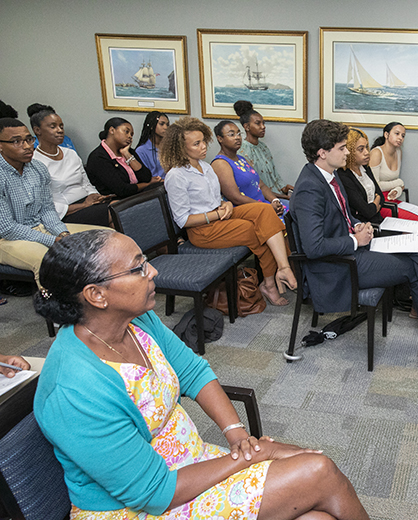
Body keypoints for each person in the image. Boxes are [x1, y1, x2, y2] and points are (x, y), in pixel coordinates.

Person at [33, 229, 369, 519]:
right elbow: (153, 493)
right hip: (141, 505)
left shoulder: (136, 321)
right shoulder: (74, 388)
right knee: (319, 471)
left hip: (188, 465)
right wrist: (254, 455)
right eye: (138, 268)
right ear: (96, 295)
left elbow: (193, 372)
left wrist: (237, 436)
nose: (152, 271)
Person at [290, 119, 418, 355]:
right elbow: (313, 247)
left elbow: (343, 216)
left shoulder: (330, 176)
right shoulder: (310, 188)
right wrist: (356, 240)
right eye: (342, 148)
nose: (347, 152)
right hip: (337, 268)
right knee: (415, 266)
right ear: (322, 153)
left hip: (352, 251)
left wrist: (357, 225)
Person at [162, 117, 296, 306]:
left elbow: (216, 199)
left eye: (203, 141)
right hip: (202, 231)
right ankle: (270, 284)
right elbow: (183, 220)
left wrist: (226, 205)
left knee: (265, 211)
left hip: (220, 215)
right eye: (196, 144)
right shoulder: (176, 176)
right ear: (181, 148)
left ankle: (283, 268)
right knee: (257, 231)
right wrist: (217, 214)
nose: (203, 146)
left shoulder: (205, 167)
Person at [0, 118, 104, 284]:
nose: (27, 146)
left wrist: (63, 234)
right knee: (51, 261)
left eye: (29, 139)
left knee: (106, 238)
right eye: (16, 141)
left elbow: (47, 209)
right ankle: (57, 302)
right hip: (6, 239)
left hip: (41, 226)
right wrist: (53, 241)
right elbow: (7, 229)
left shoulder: (38, 168)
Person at [29, 104, 113, 227]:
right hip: (65, 212)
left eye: (61, 126)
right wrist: (83, 205)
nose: (60, 130)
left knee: (121, 207)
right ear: (37, 130)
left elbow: (86, 183)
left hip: (87, 202)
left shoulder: (70, 154)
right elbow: (43, 205)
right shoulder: (34, 162)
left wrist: (94, 195)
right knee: (115, 213)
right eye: (53, 127)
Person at [337, 128, 418, 233]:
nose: (367, 152)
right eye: (361, 149)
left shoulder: (365, 168)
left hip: (379, 220)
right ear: (349, 151)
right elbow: (367, 212)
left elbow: (380, 196)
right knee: (415, 232)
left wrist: (374, 204)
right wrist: (376, 202)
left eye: (366, 147)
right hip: (366, 228)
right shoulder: (343, 175)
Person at [369, 122, 418, 238]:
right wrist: (399, 183)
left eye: (403, 135)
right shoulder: (376, 153)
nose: (400, 138)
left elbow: (396, 184)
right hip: (380, 202)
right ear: (386, 134)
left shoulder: (398, 152)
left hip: (392, 198)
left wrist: (398, 189)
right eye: (397, 134)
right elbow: (374, 186)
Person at [211, 120, 287, 218]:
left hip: (263, 205)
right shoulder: (220, 163)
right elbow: (236, 198)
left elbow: (261, 185)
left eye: (239, 134)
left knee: (294, 210)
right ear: (220, 138)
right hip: (247, 210)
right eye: (232, 135)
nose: (237, 137)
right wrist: (266, 207)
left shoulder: (242, 159)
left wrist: (274, 200)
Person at [86, 117, 163, 199]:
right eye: (126, 132)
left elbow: (146, 177)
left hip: (134, 196)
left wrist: (127, 154)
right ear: (112, 130)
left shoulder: (129, 151)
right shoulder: (98, 157)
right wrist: (148, 184)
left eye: (131, 134)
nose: (130, 136)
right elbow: (122, 189)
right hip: (114, 201)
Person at [234, 101, 294, 200]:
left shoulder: (263, 147)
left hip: (277, 195)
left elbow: (274, 175)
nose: (263, 127)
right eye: (258, 123)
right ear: (247, 127)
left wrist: (285, 188)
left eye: (263, 123)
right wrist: (284, 197)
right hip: (262, 198)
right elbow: (253, 186)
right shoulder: (242, 152)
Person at [135, 111, 169, 178]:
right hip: (154, 184)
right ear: (151, 126)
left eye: (167, 124)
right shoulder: (141, 150)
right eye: (161, 124)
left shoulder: (169, 148)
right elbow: (143, 176)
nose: (166, 127)